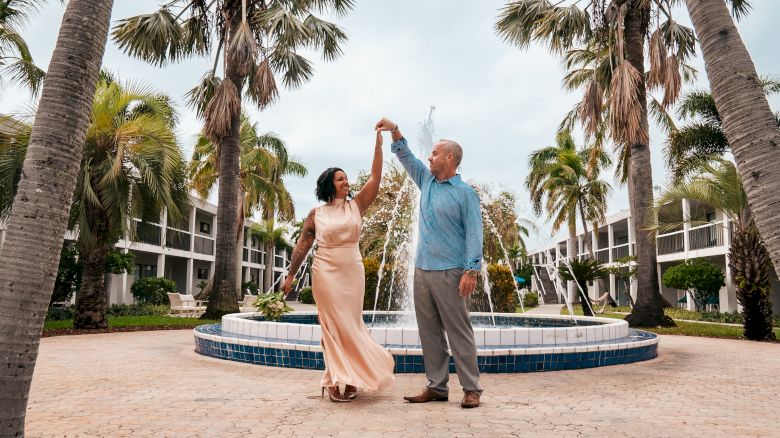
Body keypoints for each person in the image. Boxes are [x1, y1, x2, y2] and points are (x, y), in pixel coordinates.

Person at [375, 117, 483, 409]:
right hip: (422, 270)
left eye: (435, 153)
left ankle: (471, 389)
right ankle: (437, 387)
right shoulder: (426, 181)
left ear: (450, 158)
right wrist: (395, 130)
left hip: (452, 272)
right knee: (429, 332)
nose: (429, 157)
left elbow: (475, 234)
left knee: (459, 332)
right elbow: (406, 157)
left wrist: (471, 269)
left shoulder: (466, 194)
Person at [281, 130, 394, 402]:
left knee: (351, 325)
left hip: (352, 271)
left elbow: (375, 178)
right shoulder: (316, 214)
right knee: (332, 326)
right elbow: (303, 245)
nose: (346, 182)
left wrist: (378, 146)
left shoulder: (357, 206)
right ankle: (334, 378)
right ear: (330, 185)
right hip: (325, 271)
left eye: (346, 178)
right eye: (340, 178)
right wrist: (291, 275)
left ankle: (352, 375)